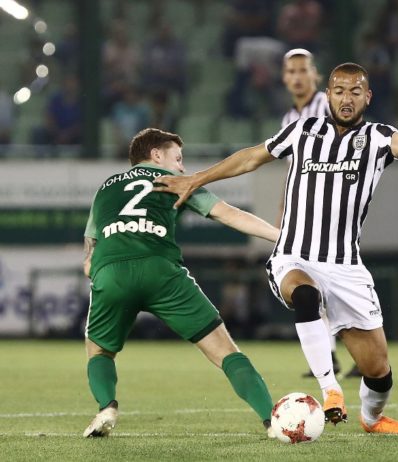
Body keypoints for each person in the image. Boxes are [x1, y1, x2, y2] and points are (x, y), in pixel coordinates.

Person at [155, 63, 398, 434]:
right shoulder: (303, 130)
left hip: (345, 266)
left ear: (368, 97)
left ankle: (372, 419)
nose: (346, 98)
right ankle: (330, 390)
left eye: (355, 91)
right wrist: (197, 178)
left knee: (378, 371)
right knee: (305, 295)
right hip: (293, 255)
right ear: (328, 95)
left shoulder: (376, 137)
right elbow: (252, 156)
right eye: (339, 91)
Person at [82, 128, 279, 438]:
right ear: (156, 155)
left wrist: (101, 271)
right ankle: (272, 421)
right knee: (225, 351)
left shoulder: (106, 188)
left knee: (99, 352)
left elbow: (89, 255)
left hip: (110, 272)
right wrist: (282, 237)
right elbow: (229, 215)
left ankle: (106, 407)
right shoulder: (177, 182)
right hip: (161, 271)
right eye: (178, 158)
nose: (182, 168)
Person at [280, 48, 353, 378]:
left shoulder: (326, 106)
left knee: (342, 280)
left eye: (302, 70)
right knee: (313, 283)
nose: (297, 77)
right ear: (284, 78)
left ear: (315, 74)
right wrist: (285, 208)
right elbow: (292, 169)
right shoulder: (288, 119)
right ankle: (330, 356)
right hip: (305, 213)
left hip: (334, 205)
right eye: (291, 71)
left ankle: (365, 350)